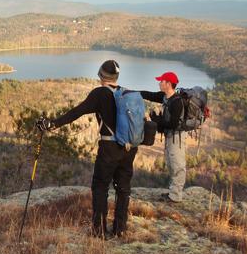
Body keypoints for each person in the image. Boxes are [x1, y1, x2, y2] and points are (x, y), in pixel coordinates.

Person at [36, 60, 137, 239]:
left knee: (100, 187)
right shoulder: (126, 93)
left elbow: (76, 112)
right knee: (123, 188)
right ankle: (120, 229)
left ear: (101, 76)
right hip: (129, 148)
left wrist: (52, 124)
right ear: (116, 77)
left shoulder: (100, 94)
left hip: (109, 147)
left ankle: (99, 232)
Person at [140, 71, 185, 203]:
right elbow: (149, 95)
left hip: (177, 138)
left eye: (162, 81)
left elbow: (173, 124)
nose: (159, 83)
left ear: (168, 84)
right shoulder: (165, 97)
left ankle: (176, 196)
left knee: (177, 165)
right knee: (171, 164)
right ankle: (173, 193)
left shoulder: (177, 102)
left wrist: (157, 120)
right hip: (170, 136)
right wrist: (131, 92)